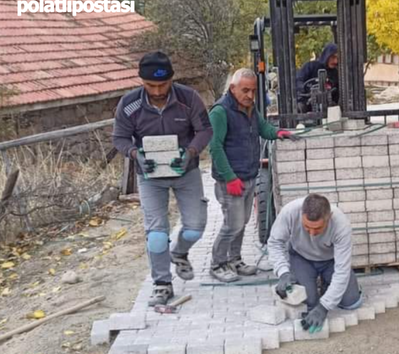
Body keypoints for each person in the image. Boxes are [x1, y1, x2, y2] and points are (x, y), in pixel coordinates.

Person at [112, 51, 213, 306]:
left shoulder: (189, 99)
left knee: (195, 228)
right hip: (150, 177)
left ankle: (179, 252)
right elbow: (120, 139)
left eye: (163, 84)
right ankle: (162, 284)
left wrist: (191, 152)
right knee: (156, 235)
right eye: (150, 86)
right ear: (141, 82)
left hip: (185, 172)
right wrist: (135, 154)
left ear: (172, 79)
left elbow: (205, 129)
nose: (157, 91)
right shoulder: (129, 104)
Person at [208, 68, 298, 282]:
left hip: (248, 176)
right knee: (232, 224)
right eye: (245, 90)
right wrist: (229, 177)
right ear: (232, 88)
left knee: (242, 222)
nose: (250, 95)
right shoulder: (220, 112)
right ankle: (217, 264)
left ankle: (235, 259)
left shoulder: (249, 108)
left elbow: (262, 127)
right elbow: (215, 147)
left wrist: (277, 133)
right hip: (231, 180)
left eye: (253, 91)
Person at [268, 194, 363, 333]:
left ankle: (328, 283)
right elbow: (275, 243)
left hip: (330, 261)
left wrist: (324, 307)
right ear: (301, 214)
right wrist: (283, 272)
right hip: (301, 257)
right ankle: (317, 285)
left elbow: (342, 270)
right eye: (307, 227)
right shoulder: (290, 211)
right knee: (309, 302)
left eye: (318, 228)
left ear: (328, 217)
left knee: (352, 302)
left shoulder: (341, 225)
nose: (312, 233)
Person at [295, 43, 339, 113]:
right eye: (333, 57)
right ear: (327, 55)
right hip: (307, 104)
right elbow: (299, 79)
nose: (335, 61)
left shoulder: (336, 74)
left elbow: (338, 93)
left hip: (328, 109)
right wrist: (303, 91)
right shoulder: (311, 66)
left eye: (337, 58)